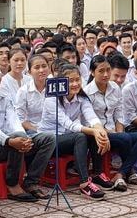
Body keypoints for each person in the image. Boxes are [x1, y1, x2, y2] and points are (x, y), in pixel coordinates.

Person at [0, 57, 55, 202]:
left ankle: (31, 182)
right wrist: (10, 140)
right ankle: (12, 184)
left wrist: (23, 138)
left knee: (48, 138)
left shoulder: (4, 96)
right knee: (15, 138)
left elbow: (14, 121)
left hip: (11, 141)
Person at [39, 64, 109, 199]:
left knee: (94, 134)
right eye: (70, 81)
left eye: (78, 79)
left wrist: (100, 130)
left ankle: (97, 173)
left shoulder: (82, 98)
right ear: (61, 82)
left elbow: (91, 116)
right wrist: (93, 131)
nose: (75, 84)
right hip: (50, 139)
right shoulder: (51, 99)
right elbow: (67, 123)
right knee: (81, 136)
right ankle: (84, 183)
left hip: (67, 137)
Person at [84, 55, 137, 190]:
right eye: (101, 71)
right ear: (92, 72)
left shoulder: (115, 88)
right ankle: (128, 172)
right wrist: (111, 133)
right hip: (98, 134)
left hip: (114, 132)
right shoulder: (87, 92)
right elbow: (87, 120)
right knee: (124, 138)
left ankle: (121, 173)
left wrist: (119, 131)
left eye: (108, 70)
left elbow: (119, 113)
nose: (106, 74)